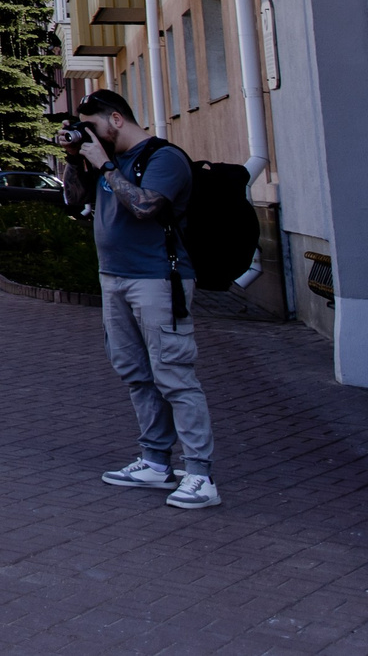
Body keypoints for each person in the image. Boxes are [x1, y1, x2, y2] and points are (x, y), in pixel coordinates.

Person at [60, 88, 220, 509]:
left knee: (174, 374)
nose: (88, 135)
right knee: (135, 373)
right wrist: (76, 158)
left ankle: (200, 474)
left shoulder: (163, 158)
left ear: (116, 120)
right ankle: (154, 461)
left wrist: (106, 166)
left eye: (92, 127)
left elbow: (146, 207)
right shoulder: (104, 161)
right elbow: (74, 202)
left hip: (158, 279)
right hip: (113, 278)